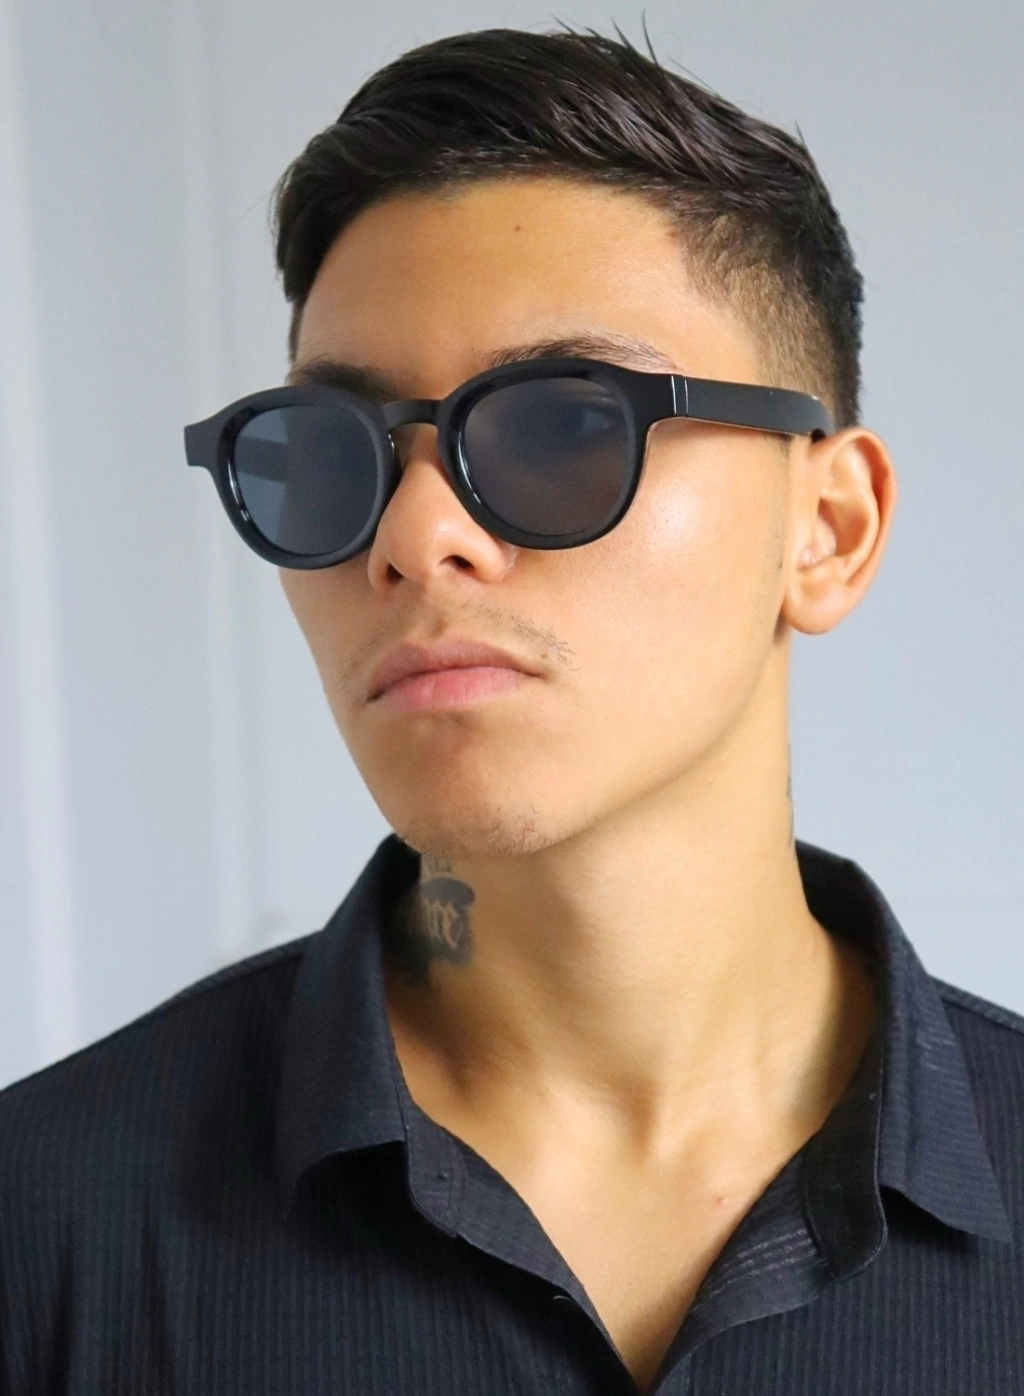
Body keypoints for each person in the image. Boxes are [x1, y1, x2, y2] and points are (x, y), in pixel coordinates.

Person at [1, 26, 1021, 1396]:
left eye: (561, 427)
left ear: (828, 529)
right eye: (332, 456)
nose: (415, 536)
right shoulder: (45, 1230)